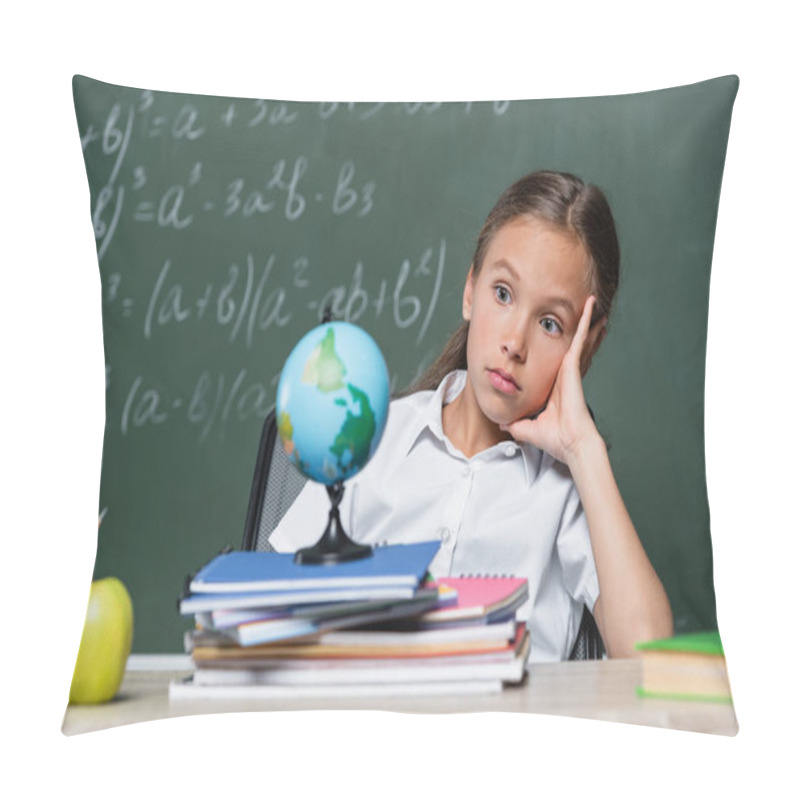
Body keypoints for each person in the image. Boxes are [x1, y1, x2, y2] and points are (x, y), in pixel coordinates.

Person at [269, 170, 673, 661]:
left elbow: (651, 656)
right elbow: (270, 615)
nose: (514, 342)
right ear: (470, 290)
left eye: (550, 324)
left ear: (586, 346)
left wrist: (584, 452)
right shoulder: (372, 435)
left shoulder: (568, 491)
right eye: (503, 294)